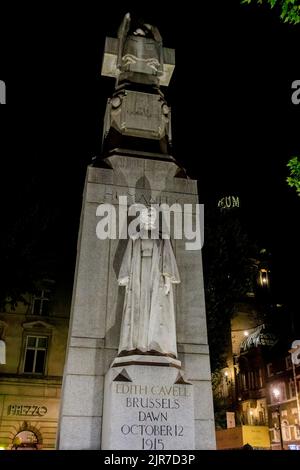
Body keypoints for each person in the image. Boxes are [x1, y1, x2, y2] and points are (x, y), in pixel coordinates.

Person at [118, 207, 180, 357]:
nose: (150, 218)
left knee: (156, 312)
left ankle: (156, 345)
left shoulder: (162, 237)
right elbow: (129, 258)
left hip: (155, 277)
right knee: (139, 310)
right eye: (147, 216)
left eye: (152, 216)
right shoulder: (135, 237)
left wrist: (167, 281)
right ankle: (137, 344)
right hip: (139, 277)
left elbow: (166, 259)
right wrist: (127, 278)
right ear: (142, 218)